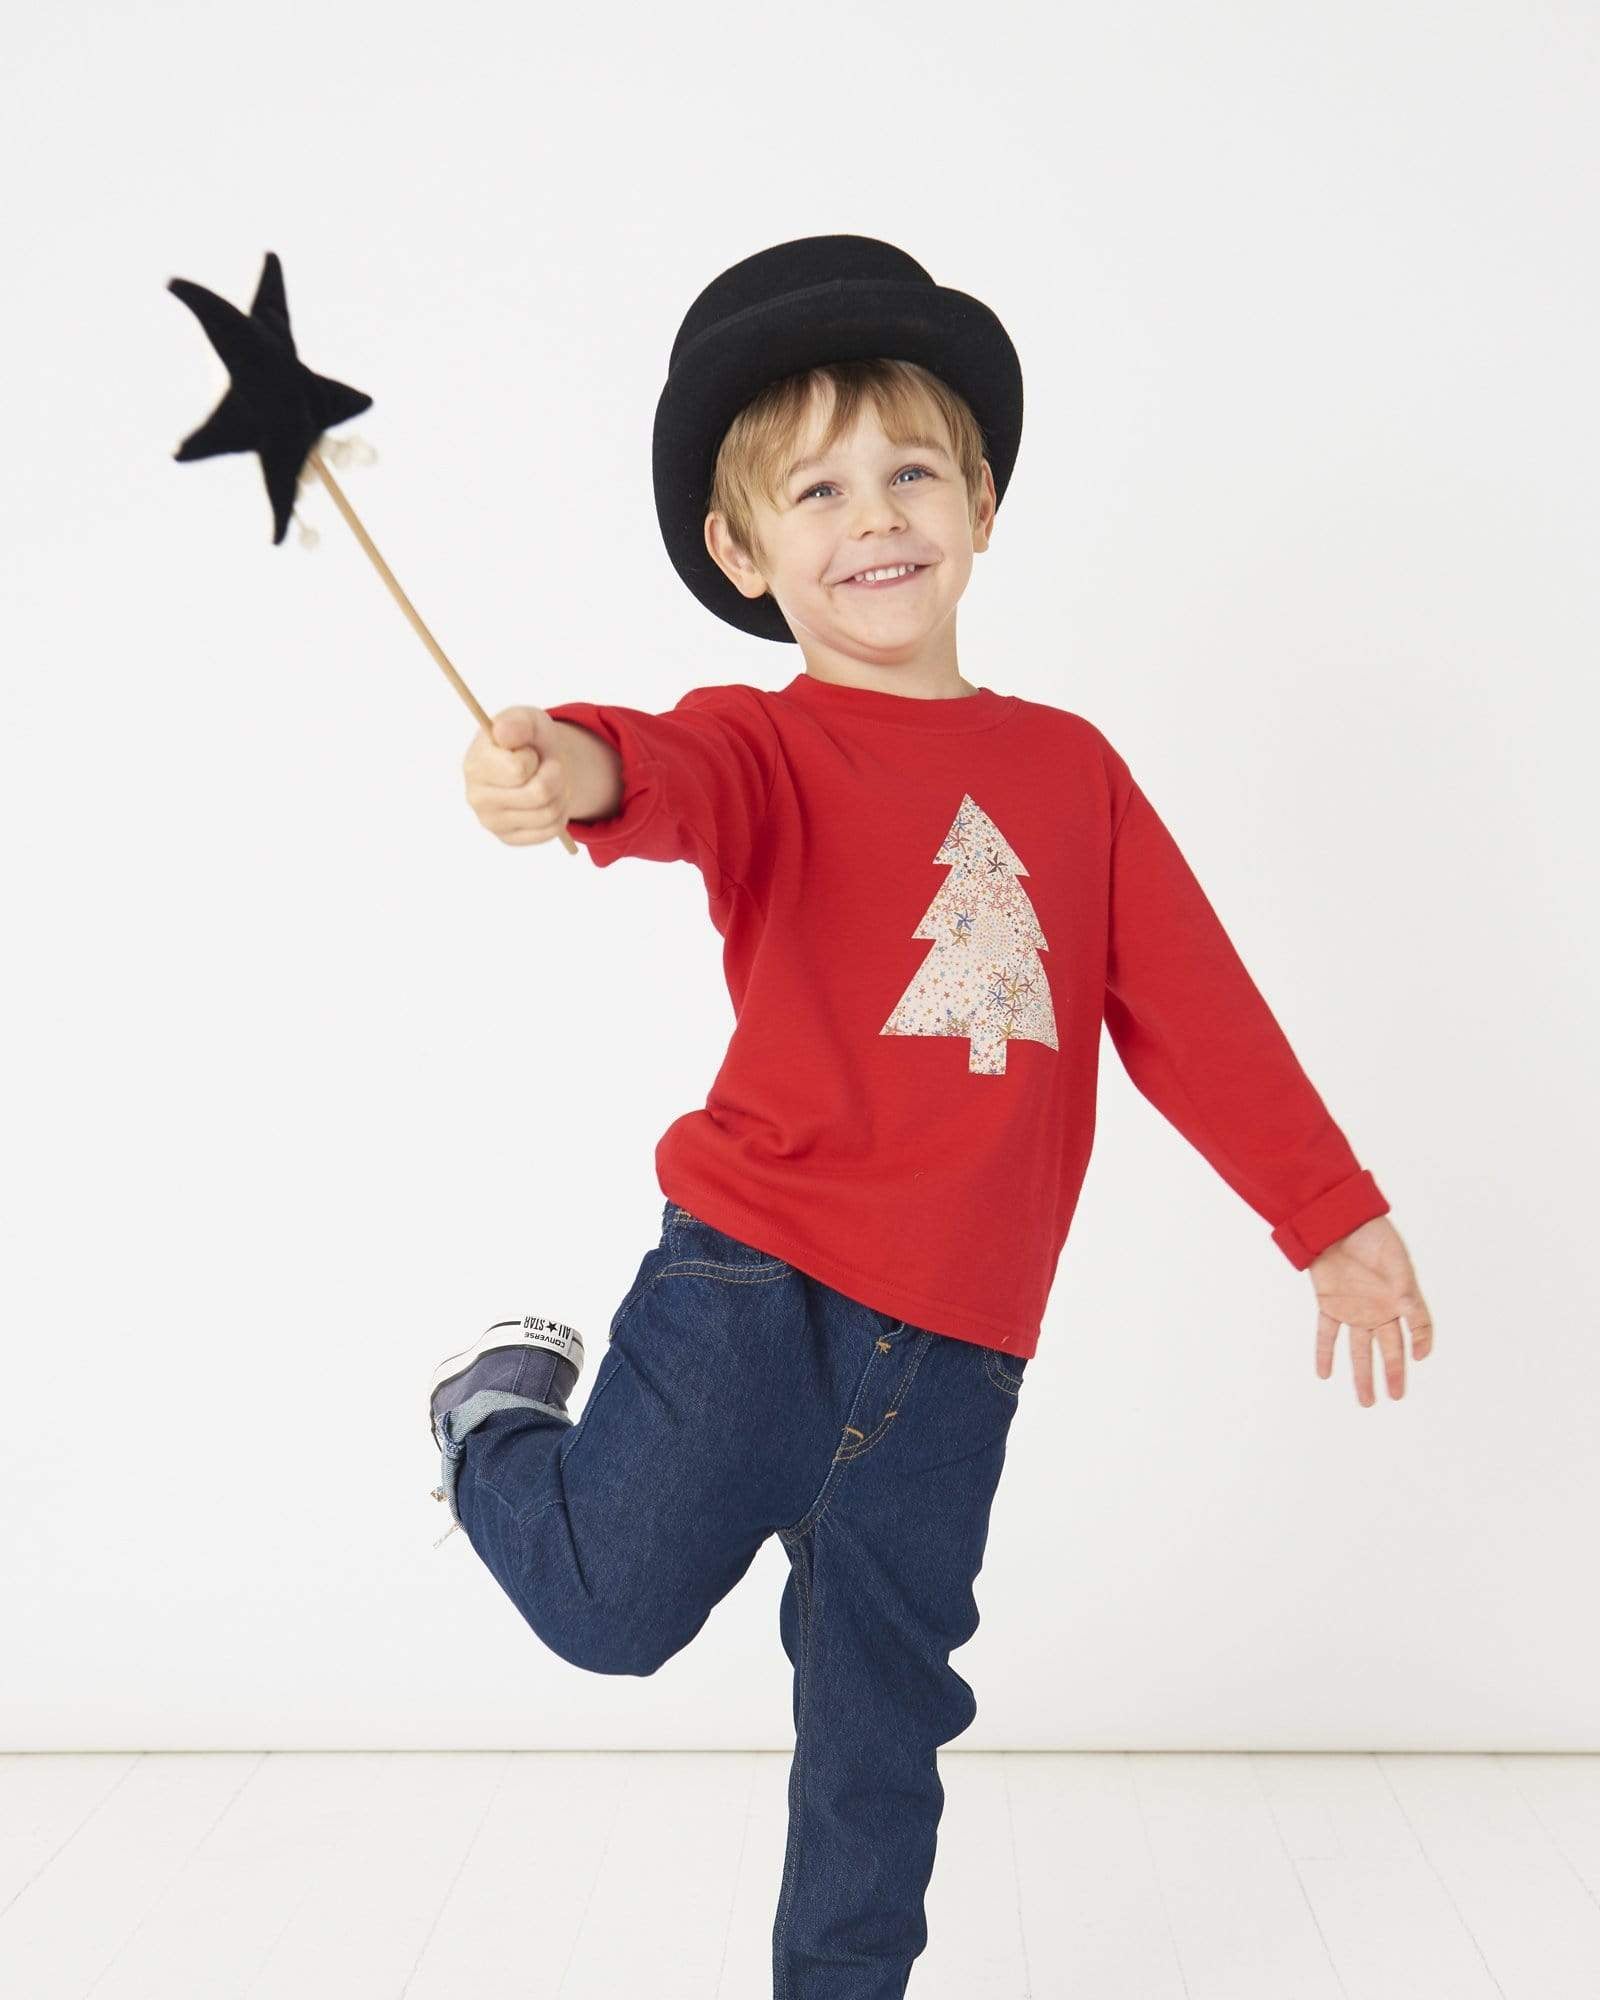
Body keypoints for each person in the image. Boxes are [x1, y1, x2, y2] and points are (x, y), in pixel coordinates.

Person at [428, 234, 1435, 2000]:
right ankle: (493, 1418)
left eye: (910, 472)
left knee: (881, 1729)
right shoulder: (765, 745)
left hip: (961, 1358)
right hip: (753, 1292)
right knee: (606, 1612)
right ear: (742, 552)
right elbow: (654, 768)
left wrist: (1330, 1214)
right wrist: (563, 767)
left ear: (981, 500)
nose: (874, 518)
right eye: (815, 491)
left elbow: (1198, 1014)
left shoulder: (1072, 772)